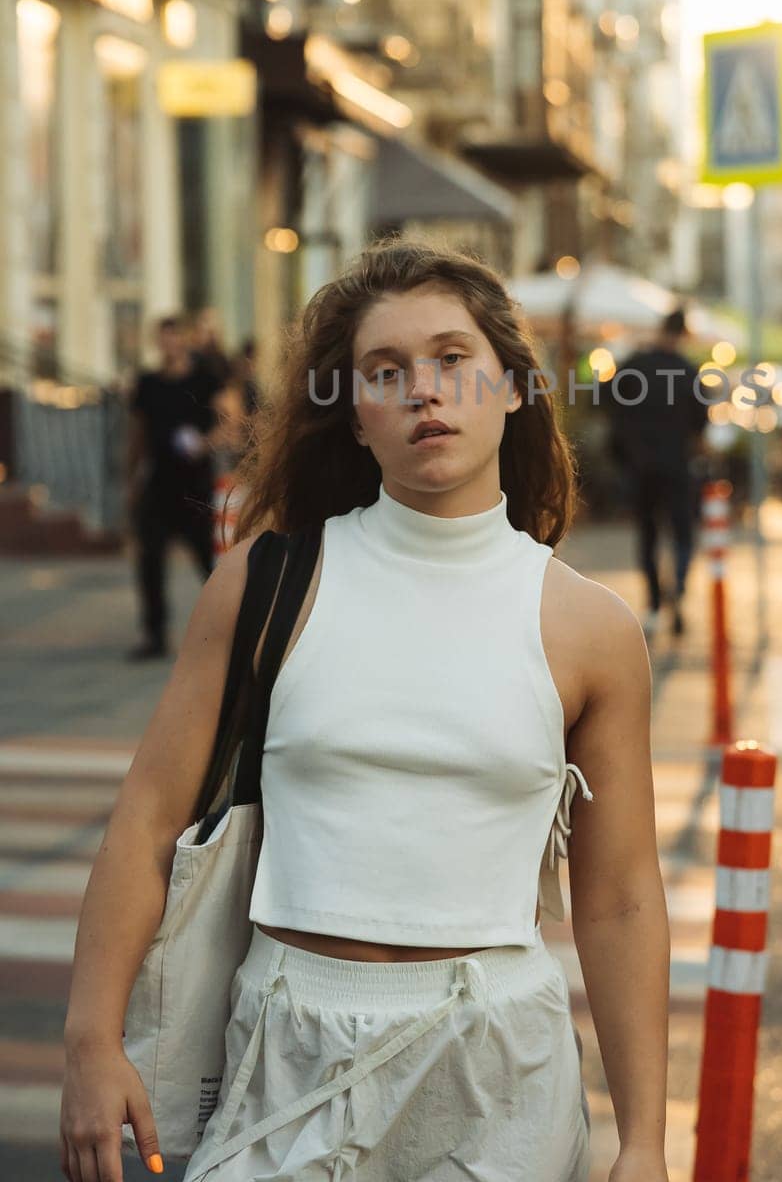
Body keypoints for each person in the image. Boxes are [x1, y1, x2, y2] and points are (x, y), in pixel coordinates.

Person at [61, 240, 670, 1182]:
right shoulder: (267, 587)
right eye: (386, 372)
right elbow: (147, 822)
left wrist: (645, 1144)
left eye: (452, 360)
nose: (424, 391)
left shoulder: (590, 628)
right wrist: (91, 1046)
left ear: (512, 386)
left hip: (500, 1067)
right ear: (354, 416)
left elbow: (622, 897)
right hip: (285, 1051)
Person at [125, 316, 229, 659]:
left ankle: (230, 629)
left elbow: (230, 422)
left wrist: (205, 442)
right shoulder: (148, 383)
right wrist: (132, 480)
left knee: (206, 561)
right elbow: (138, 435)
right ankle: (155, 634)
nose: (169, 344)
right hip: (158, 486)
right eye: (163, 338)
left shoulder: (204, 380)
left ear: (184, 341)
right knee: (150, 559)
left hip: (196, 487)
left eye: (175, 337)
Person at [607, 307, 710, 637]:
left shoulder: (634, 366)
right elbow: (701, 422)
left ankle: (653, 605)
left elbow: (605, 400)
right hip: (677, 465)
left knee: (648, 534)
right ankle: (677, 589)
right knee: (682, 533)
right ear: (682, 334)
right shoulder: (688, 371)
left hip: (640, 466)